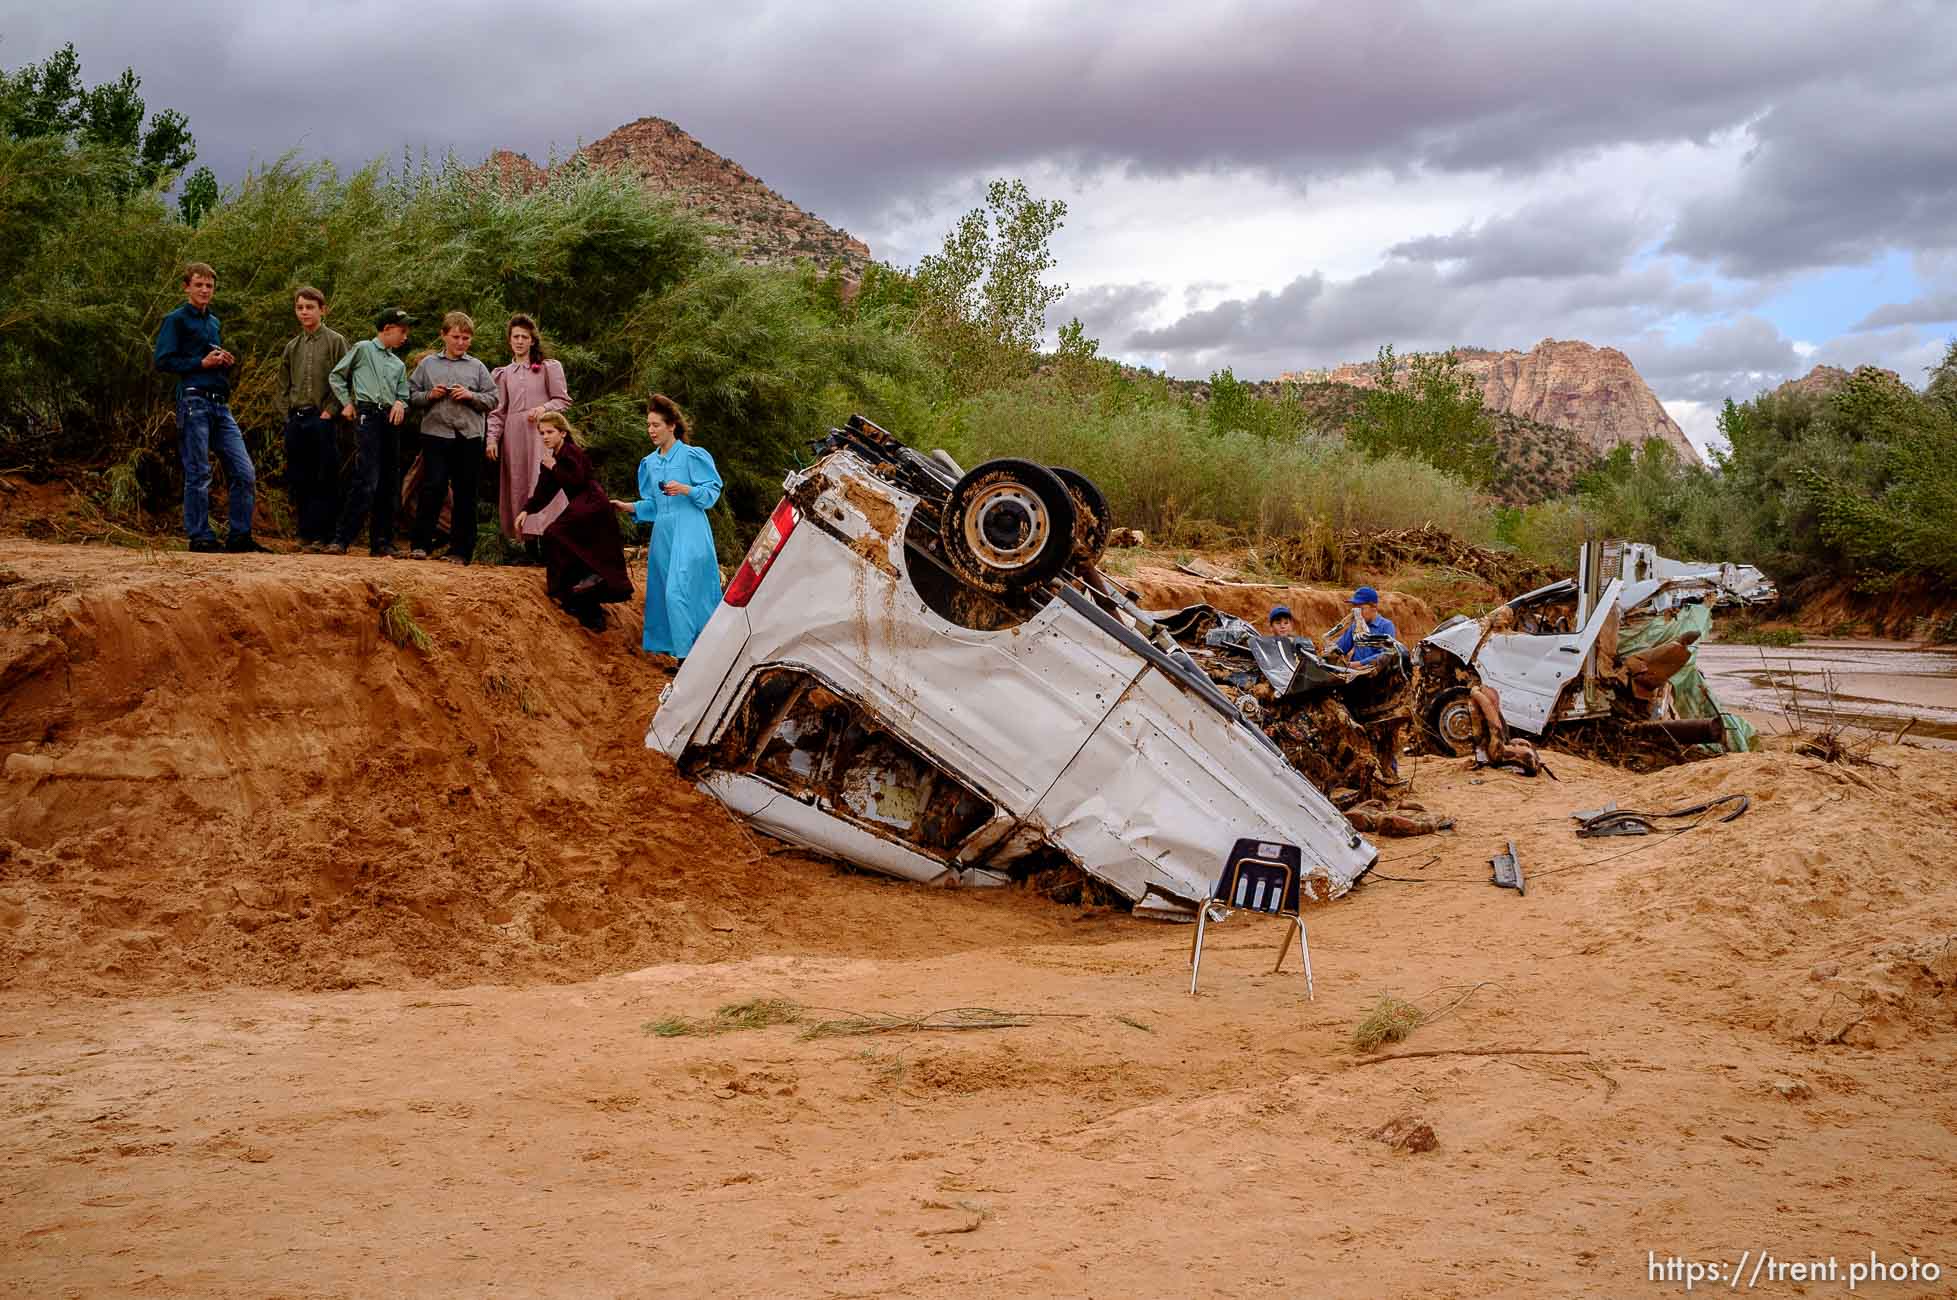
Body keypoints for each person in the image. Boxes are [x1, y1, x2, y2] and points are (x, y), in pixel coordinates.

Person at [153, 262, 265, 553]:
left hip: (219, 403)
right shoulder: (175, 320)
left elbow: (208, 356)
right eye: (199, 285)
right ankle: (200, 536)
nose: (204, 290)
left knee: (244, 471)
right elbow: (163, 360)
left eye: (209, 286)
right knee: (199, 471)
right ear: (186, 287)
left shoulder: (213, 322)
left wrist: (222, 360)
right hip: (193, 401)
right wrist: (200, 363)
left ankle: (240, 536)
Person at [610, 393, 723, 660]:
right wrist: (630, 507)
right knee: (665, 593)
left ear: (672, 426)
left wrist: (686, 489)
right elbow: (654, 505)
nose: (650, 430)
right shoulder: (649, 463)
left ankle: (691, 658)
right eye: (648, 425)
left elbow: (711, 493)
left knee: (679, 591)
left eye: (656, 425)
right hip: (663, 534)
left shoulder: (692, 456)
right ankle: (684, 654)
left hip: (691, 529)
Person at [515, 413, 632, 631]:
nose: (545, 437)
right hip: (583, 505)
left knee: (555, 533)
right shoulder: (553, 458)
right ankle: (580, 599)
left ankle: (572, 587)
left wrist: (553, 467)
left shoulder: (570, 452)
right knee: (566, 541)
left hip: (593, 503)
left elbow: (577, 479)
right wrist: (526, 510)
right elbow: (544, 491)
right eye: (542, 433)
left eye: (550, 432)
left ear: (563, 433)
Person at [406, 311, 495, 563]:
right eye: (456, 337)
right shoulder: (428, 365)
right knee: (432, 487)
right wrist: (429, 396)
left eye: (466, 338)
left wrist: (471, 396)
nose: (460, 342)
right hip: (436, 433)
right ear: (443, 335)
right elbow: (410, 395)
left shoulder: (477, 367)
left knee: (466, 492)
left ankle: (460, 551)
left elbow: (493, 399)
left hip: (468, 437)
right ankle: (420, 545)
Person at [325, 309, 412, 557]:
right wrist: (347, 403)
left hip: (390, 420)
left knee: (389, 481)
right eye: (402, 331)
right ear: (386, 328)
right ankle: (342, 539)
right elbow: (337, 375)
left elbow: (404, 396)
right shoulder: (363, 349)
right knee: (367, 479)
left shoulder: (398, 363)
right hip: (368, 415)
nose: (405, 336)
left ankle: (382, 542)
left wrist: (400, 403)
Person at [486, 314, 571, 561]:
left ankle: (550, 546)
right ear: (509, 341)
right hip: (514, 437)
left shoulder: (548, 367)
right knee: (518, 485)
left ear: (533, 340)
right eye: (516, 337)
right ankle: (528, 548)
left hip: (541, 435)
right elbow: (497, 412)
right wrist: (492, 439)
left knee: (542, 483)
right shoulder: (503, 374)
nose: (520, 341)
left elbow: (563, 400)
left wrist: (544, 409)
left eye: (525, 337)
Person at [279, 286, 349, 552]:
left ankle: (326, 535)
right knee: (300, 477)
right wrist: (287, 413)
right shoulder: (292, 346)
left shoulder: (335, 341)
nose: (305, 312)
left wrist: (330, 410)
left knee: (325, 477)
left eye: (310, 307)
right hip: (297, 419)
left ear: (323, 309)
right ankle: (305, 534)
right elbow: (282, 384)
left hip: (323, 418)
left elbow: (344, 378)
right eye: (300, 307)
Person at [1333, 586, 1398, 665]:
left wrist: (1360, 663)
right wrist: (1330, 650)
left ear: (1374, 607)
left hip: (1377, 674)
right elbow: (1340, 648)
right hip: (1355, 673)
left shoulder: (1386, 626)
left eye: (1361, 609)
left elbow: (1386, 654)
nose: (1357, 613)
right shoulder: (1355, 626)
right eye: (1355, 609)